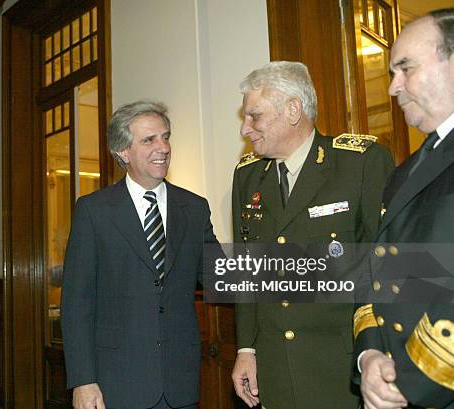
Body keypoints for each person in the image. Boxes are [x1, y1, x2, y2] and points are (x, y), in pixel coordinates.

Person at [231, 61, 394, 408]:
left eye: (254, 116)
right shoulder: (248, 178)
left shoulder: (360, 163)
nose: (246, 128)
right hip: (274, 368)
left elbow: (383, 271)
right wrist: (246, 348)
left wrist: (379, 353)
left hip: (342, 367)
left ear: (293, 110)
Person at [61, 100, 220, 409]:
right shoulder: (94, 211)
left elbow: (221, 275)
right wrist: (83, 379)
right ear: (123, 151)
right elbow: (77, 303)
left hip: (180, 383)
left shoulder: (194, 208)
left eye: (166, 136)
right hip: (116, 384)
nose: (163, 147)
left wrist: (302, 268)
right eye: (149, 140)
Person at [353, 9, 454, 409]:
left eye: (405, 68)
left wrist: (405, 385)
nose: (393, 87)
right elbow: (379, 273)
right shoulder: (405, 171)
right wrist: (371, 357)